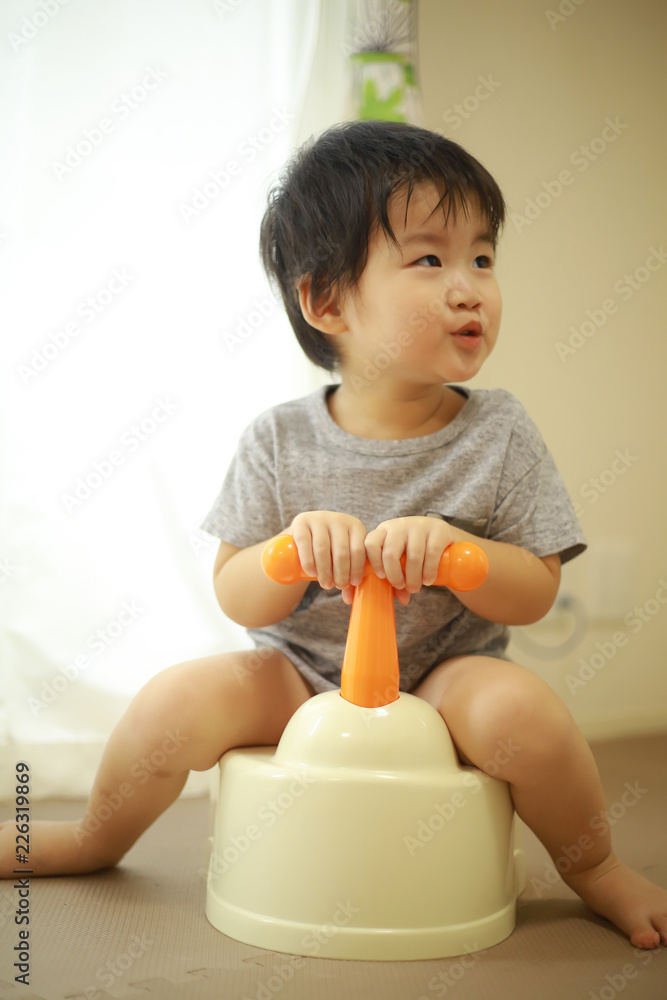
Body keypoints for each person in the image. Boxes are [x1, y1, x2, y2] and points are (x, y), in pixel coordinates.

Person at [2, 121, 665, 951]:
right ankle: (93, 836)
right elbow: (235, 589)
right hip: (297, 676)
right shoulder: (278, 438)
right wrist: (289, 552)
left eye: (482, 258)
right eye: (429, 260)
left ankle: (595, 866)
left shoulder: (499, 432)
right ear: (326, 302)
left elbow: (533, 589)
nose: (469, 289)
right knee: (174, 700)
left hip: (444, 677)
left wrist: (458, 557)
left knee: (523, 716)